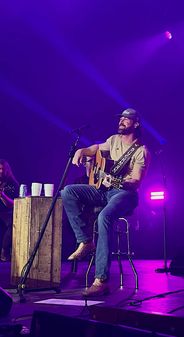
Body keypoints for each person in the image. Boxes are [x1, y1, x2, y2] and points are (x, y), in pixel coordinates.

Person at [61, 108, 151, 296]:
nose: (122, 121)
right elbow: (95, 148)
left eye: (127, 119)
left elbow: (135, 182)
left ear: (136, 124)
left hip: (124, 194)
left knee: (104, 217)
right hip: (104, 190)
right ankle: (85, 241)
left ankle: (101, 279)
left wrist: (120, 182)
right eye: (121, 118)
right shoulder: (113, 140)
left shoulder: (141, 151)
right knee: (68, 192)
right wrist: (82, 150)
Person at [0, 159, 19, 261]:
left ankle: (4, 251)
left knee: (12, 222)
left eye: (3, 169)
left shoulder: (12, 184)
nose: (1, 171)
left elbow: (13, 204)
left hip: (6, 212)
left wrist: (2, 196)